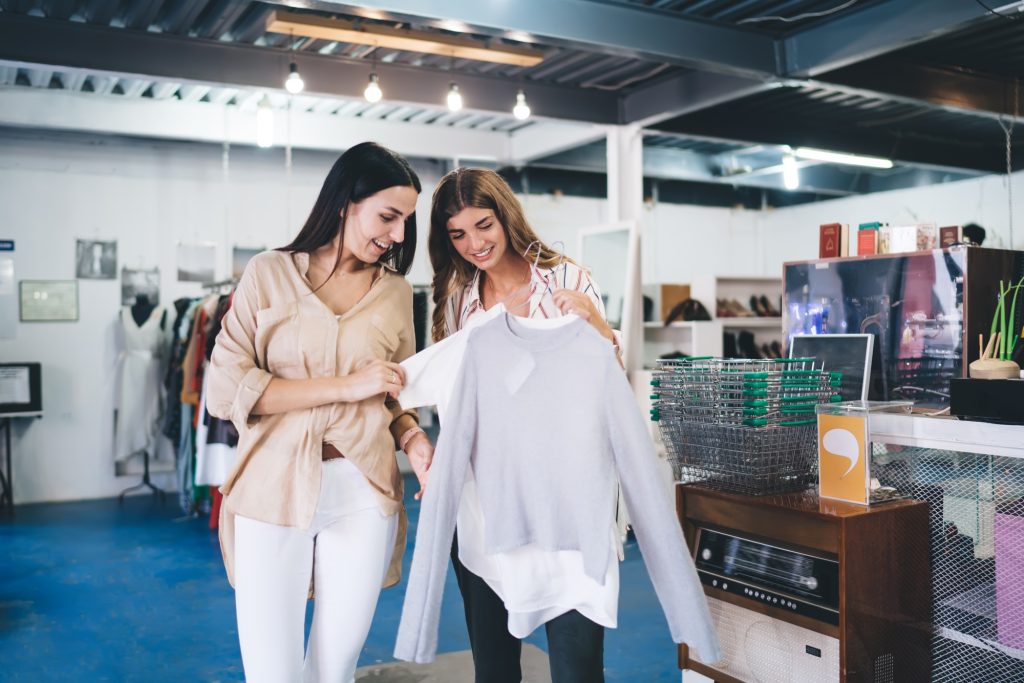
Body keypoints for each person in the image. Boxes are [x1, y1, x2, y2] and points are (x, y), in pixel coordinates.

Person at [206, 142, 434, 683]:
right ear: (343, 203)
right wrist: (347, 386)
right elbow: (224, 388)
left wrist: (412, 438)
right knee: (272, 673)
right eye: (387, 216)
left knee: (335, 670)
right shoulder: (268, 274)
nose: (399, 235)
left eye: (406, 220)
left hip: (363, 490)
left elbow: (396, 395)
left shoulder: (397, 293)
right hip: (272, 487)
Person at [426, 167, 622, 682]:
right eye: (458, 234)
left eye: (483, 225)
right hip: (483, 503)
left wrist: (598, 327)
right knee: (493, 669)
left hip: (564, 499)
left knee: (577, 664)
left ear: (506, 216)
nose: (474, 243)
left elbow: (611, 385)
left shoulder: (568, 280)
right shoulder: (458, 301)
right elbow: (454, 397)